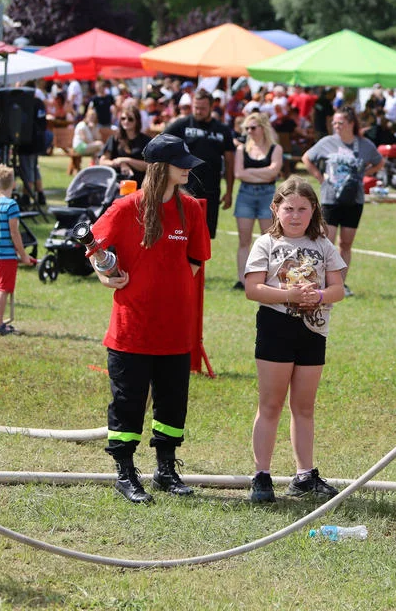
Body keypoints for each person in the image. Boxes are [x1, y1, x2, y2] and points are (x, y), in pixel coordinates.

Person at [88, 135, 211, 503]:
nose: (188, 167)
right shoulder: (126, 208)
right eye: (181, 162)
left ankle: (166, 469)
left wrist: (169, 294)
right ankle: (126, 473)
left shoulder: (192, 209)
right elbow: (94, 247)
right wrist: (105, 275)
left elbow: (194, 259)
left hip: (175, 329)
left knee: (173, 401)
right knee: (127, 401)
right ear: (160, 167)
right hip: (132, 330)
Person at [243, 177, 347, 503]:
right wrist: (288, 294)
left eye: (303, 209)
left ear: (313, 209)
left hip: (313, 330)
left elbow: (337, 290)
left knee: (304, 407)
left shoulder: (324, 245)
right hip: (275, 327)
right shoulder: (266, 244)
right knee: (270, 404)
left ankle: (304, 474)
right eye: (289, 209)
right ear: (276, 209)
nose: (296, 216)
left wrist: (315, 296)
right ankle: (262, 475)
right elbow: (253, 288)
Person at [301, 105, 384, 297]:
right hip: (330, 199)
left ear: (351, 124)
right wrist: (319, 177)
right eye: (334, 123)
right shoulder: (327, 142)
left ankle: (341, 284)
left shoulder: (364, 145)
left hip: (354, 200)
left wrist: (365, 174)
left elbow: (379, 161)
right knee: (326, 241)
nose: (336, 126)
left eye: (340, 123)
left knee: (346, 243)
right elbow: (307, 158)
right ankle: (321, 282)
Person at [164, 88, 237, 239]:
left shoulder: (222, 130)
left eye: (203, 108)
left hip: (211, 190)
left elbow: (230, 162)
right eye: (195, 107)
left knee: (205, 236)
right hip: (184, 189)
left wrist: (229, 192)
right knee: (180, 234)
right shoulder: (182, 125)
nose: (198, 111)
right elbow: (161, 144)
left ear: (212, 107)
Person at [233, 112, 283, 290]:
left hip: (267, 194)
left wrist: (251, 173)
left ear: (263, 128)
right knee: (244, 239)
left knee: (269, 238)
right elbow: (239, 173)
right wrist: (262, 173)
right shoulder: (242, 149)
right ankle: (242, 279)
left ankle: (268, 277)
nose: (249, 131)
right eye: (246, 128)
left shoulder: (275, 148)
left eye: (253, 128)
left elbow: (273, 172)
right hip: (245, 194)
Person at [0, 165, 37, 335]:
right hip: (6, 255)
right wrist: (23, 255)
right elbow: (14, 232)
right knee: (4, 290)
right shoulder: (11, 205)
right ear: (14, 184)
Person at [100, 106, 150, 189]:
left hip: (140, 185)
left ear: (137, 121)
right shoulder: (114, 139)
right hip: (116, 184)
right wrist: (121, 164)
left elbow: (149, 165)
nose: (126, 121)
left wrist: (127, 160)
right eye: (123, 118)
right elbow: (103, 161)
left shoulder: (146, 141)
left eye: (130, 119)